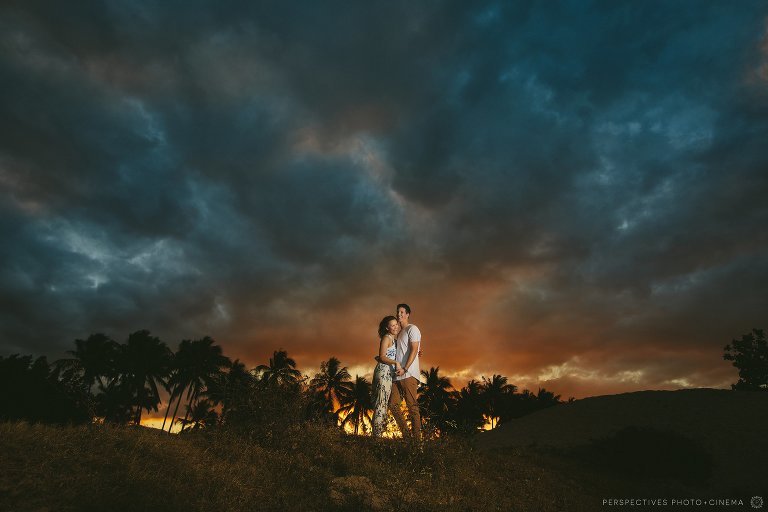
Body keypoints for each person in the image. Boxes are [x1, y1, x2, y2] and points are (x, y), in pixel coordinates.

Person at [388, 303, 422, 440]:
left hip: (408, 374)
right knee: (393, 405)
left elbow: (414, 349)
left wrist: (405, 368)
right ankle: (407, 437)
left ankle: (417, 442)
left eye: (402, 312)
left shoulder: (412, 328)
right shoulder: (399, 333)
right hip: (397, 376)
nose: (399, 314)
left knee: (412, 408)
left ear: (407, 314)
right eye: (398, 312)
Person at [372, 316, 401, 437]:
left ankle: (378, 434)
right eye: (392, 325)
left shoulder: (394, 340)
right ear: (387, 327)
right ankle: (376, 436)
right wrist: (396, 363)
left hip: (388, 373)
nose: (395, 327)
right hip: (383, 372)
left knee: (383, 403)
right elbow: (382, 356)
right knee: (381, 403)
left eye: (396, 324)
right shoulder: (386, 338)